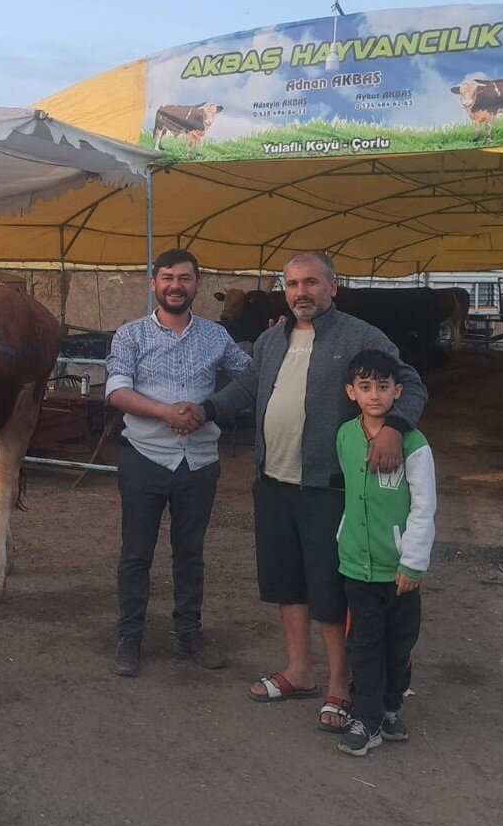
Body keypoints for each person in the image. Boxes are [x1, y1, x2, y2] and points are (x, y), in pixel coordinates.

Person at [195, 251, 426, 732]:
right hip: (273, 481)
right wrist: (204, 411)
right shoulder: (269, 339)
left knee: (329, 591)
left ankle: (340, 687)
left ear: (333, 288)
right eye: (293, 283)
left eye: (312, 283)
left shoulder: (360, 336)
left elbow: (410, 382)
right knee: (287, 584)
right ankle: (299, 671)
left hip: (328, 488)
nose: (302, 292)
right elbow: (245, 388)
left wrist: (394, 429)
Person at [105, 248, 251, 676]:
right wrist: (166, 413)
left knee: (190, 553)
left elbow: (252, 374)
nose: (176, 285)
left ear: (197, 285)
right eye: (167, 277)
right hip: (145, 457)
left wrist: (210, 407)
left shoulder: (215, 336)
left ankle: (189, 633)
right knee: (136, 553)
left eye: (185, 278)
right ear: (154, 284)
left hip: (199, 461)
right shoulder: (130, 335)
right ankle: (129, 636)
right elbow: (116, 391)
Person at [335, 349, 436, 756]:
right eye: (365, 387)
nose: (374, 395)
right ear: (351, 392)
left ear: (398, 391)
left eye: (382, 387)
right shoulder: (345, 435)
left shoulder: (414, 444)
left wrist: (412, 562)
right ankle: (368, 718)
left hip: (399, 571)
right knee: (364, 643)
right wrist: (344, 542)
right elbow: (349, 496)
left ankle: (391, 706)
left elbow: (423, 506)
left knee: (399, 643)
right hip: (357, 566)